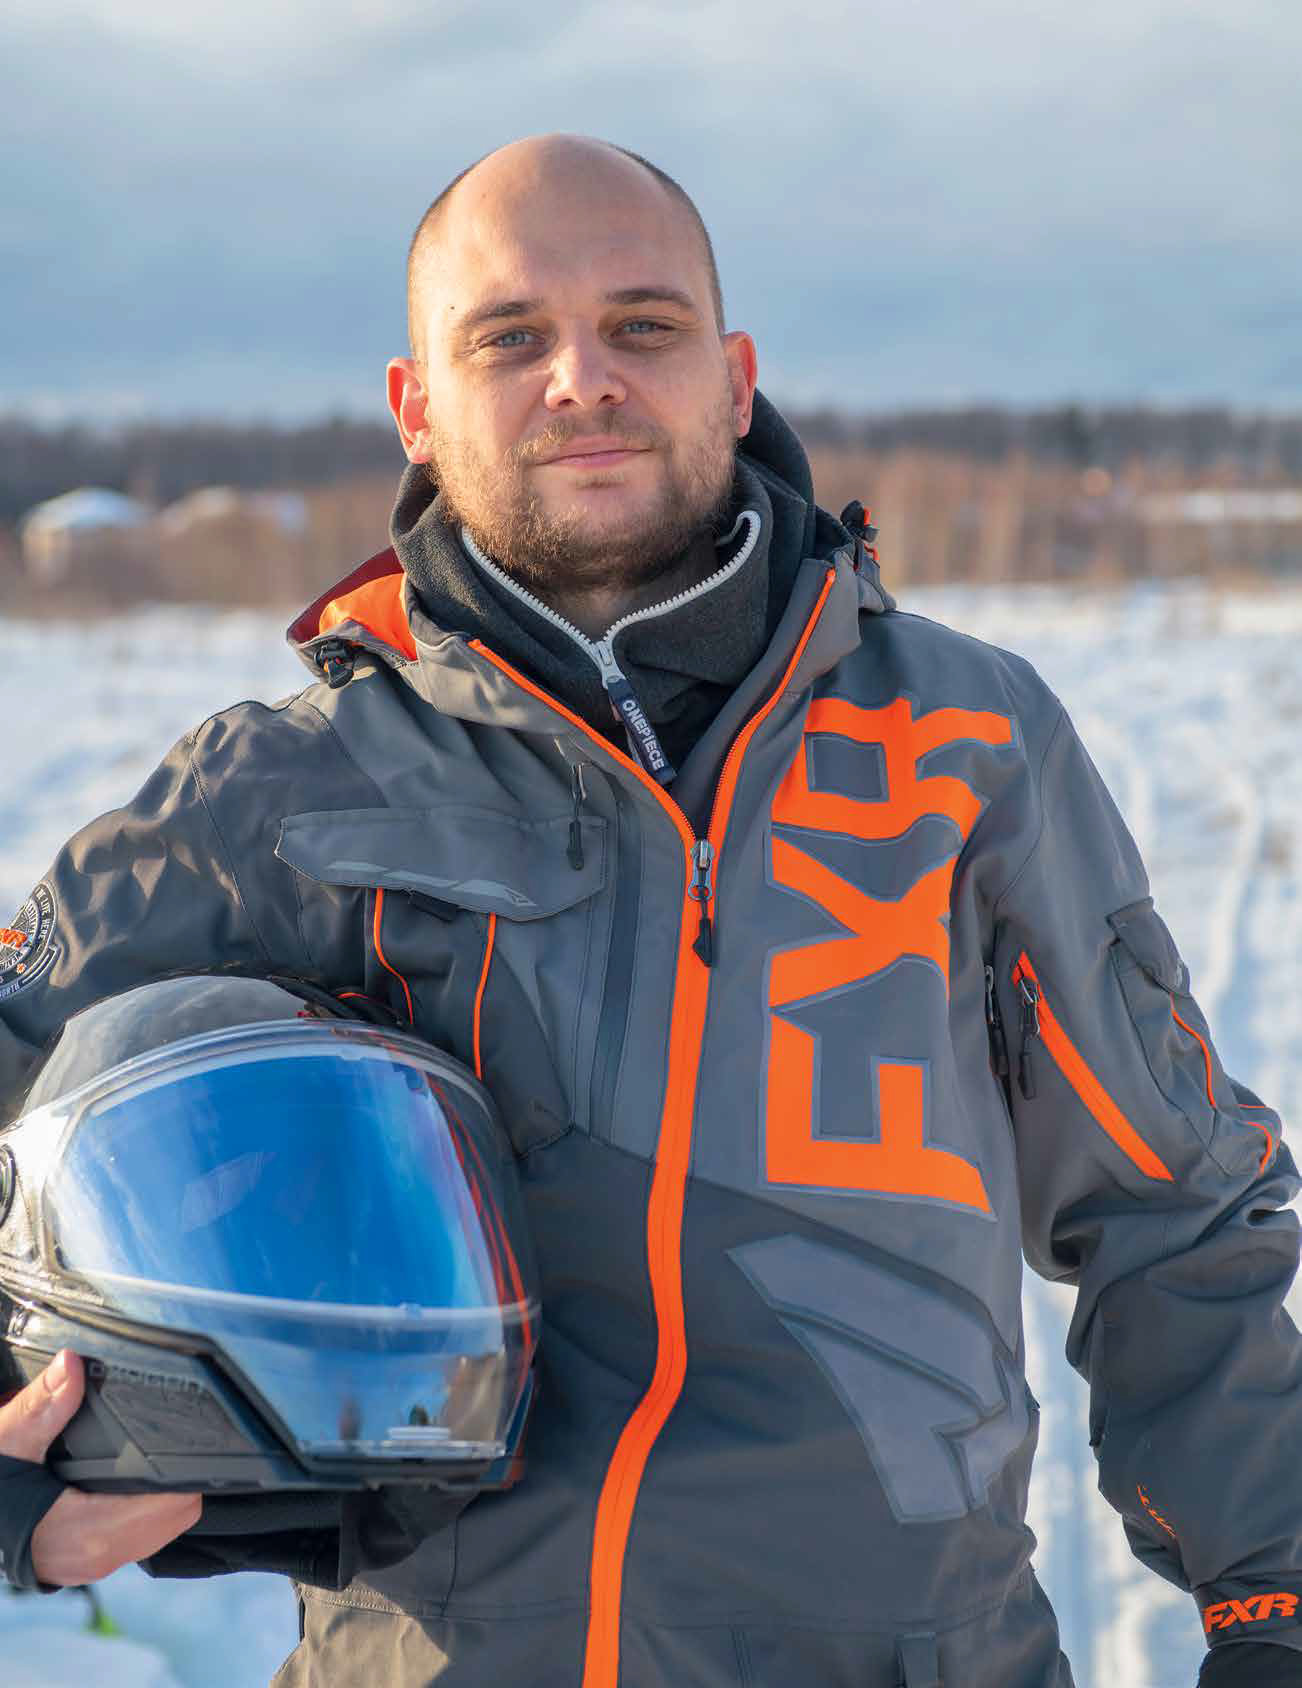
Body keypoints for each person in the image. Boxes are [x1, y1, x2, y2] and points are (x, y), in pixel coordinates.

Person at [0, 132, 1298, 1688]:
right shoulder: (279, 786)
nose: (582, 379)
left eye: (642, 324)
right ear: (416, 406)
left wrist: (1271, 1605)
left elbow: (1171, 1207)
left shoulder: (966, 744)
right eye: (509, 337)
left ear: (733, 379)